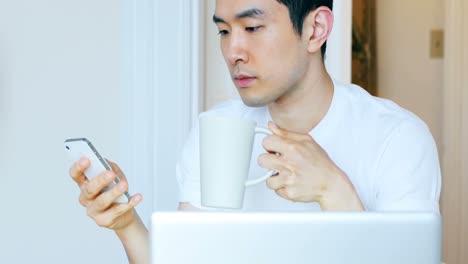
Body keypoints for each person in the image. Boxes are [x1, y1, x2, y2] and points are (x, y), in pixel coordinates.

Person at [69, 0, 441, 263]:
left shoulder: (398, 139)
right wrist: (126, 224)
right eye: (224, 31)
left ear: (316, 29)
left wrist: (334, 191)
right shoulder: (216, 131)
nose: (233, 50)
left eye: (252, 28)